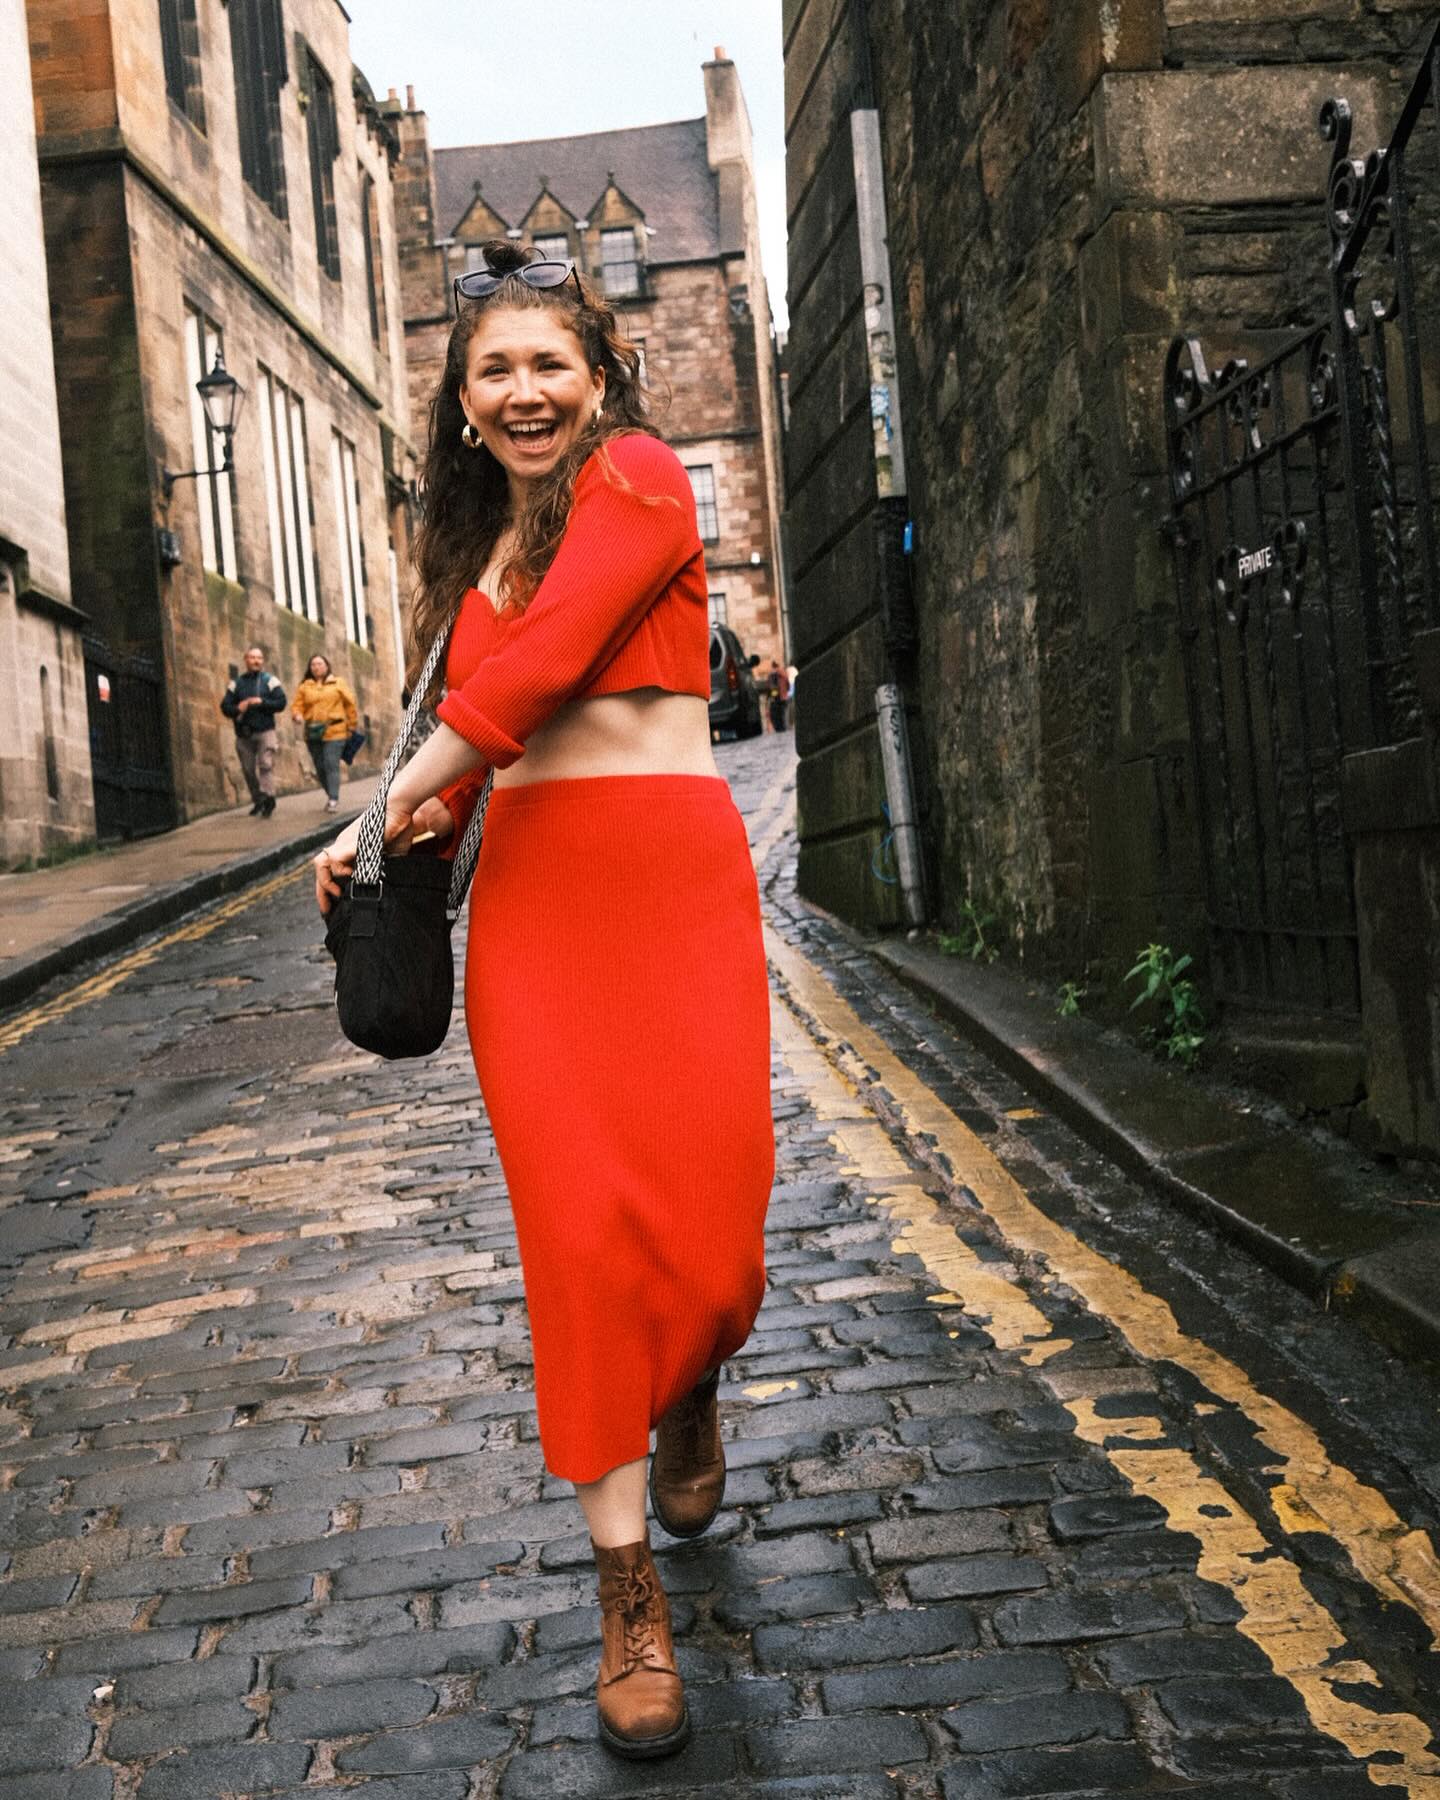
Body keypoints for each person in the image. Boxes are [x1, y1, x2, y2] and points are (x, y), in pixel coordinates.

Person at [313, 241, 773, 1762]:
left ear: (599, 377)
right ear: (460, 402)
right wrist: (392, 841)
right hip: (537, 921)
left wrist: (387, 798)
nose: (524, 393)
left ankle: (689, 1372)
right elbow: (479, 759)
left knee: (716, 1236)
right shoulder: (474, 567)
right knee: (577, 1244)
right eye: (493, 371)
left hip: (672, 884)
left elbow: (546, 672)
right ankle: (627, 1593)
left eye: (548, 366)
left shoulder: (640, 480)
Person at [220, 645, 285, 817]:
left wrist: (262, 702)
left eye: (259, 658)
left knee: (265, 764)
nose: (256, 661)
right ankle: (258, 800)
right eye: (253, 657)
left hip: (266, 731)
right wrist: (238, 708)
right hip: (244, 734)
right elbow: (225, 707)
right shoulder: (236, 684)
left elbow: (281, 702)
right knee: (248, 770)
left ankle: (268, 797)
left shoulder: (270, 681)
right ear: (246, 659)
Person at [292, 654, 359, 813]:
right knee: (320, 767)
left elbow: (350, 704)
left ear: (327, 665)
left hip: (335, 731)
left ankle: (333, 799)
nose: (316, 667)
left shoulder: (338, 683)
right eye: (313, 664)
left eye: (320, 664)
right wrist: (297, 714)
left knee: (330, 763)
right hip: (313, 732)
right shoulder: (305, 686)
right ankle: (331, 794)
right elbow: (297, 705)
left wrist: (352, 725)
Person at [766, 657, 791, 733]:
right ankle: (784, 727)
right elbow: (788, 685)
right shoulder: (784, 673)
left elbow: (770, 688)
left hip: (776, 698)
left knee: (776, 714)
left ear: (773, 665)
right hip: (784, 697)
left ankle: (780, 728)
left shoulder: (771, 675)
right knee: (784, 713)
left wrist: (770, 696)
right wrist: (785, 692)